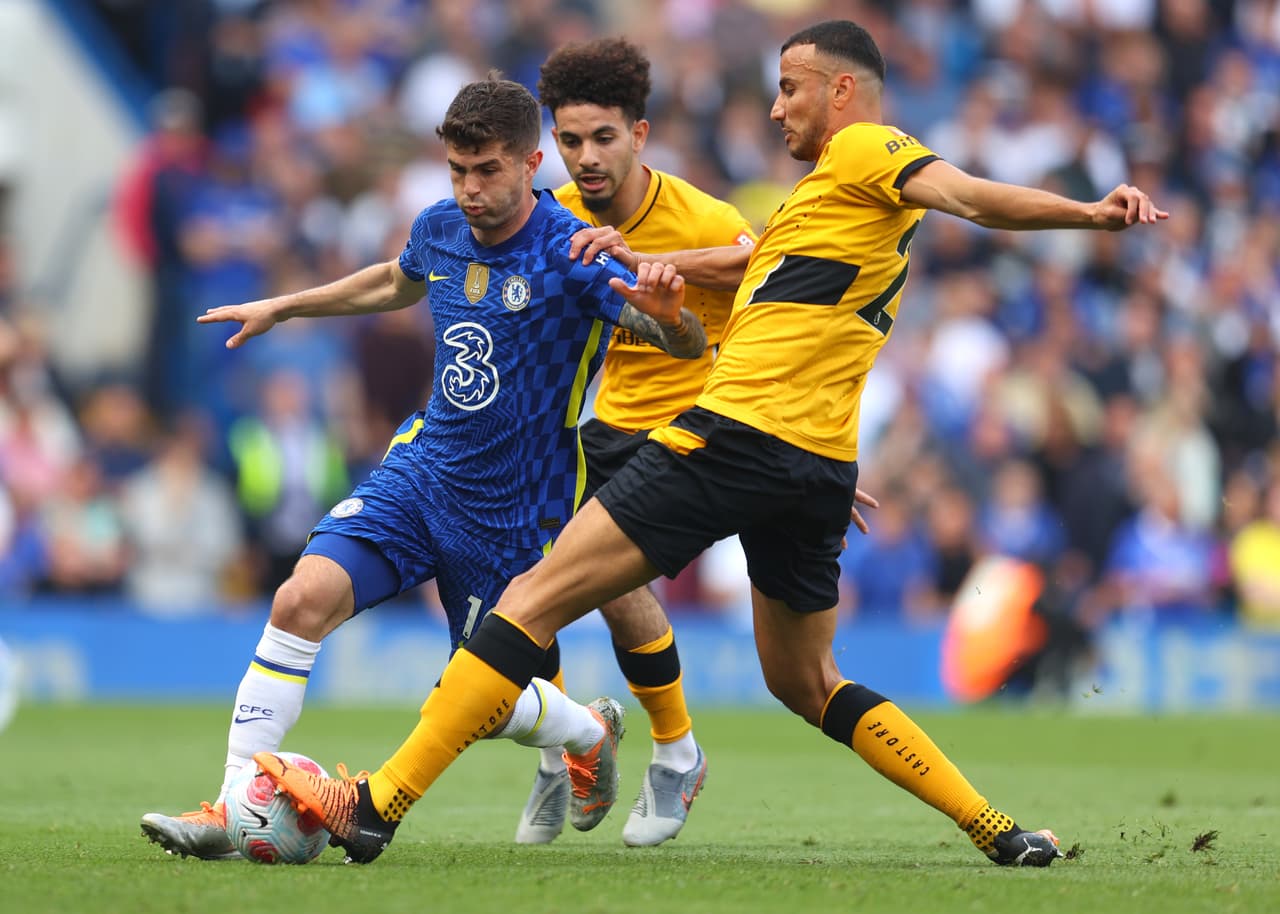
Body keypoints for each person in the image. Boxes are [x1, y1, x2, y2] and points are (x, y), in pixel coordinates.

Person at [251, 21, 1167, 867]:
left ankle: (375, 802)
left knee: (530, 600)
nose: (777, 107)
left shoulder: (863, 148)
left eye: (792, 87)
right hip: (814, 459)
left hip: (733, 435)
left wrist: (1086, 213)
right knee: (807, 683)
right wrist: (636, 265)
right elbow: (750, 278)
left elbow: (966, 193)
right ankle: (999, 831)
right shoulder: (822, 208)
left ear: (844, 91)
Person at [140, 74, 707, 860]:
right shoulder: (439, 227)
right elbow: (393, 280)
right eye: (457, 171)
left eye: (488, 172)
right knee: (299, 598)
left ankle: (584, 730)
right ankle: (232, 805)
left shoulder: (572, 253)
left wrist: (676, 321)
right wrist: (285, 305)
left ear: (530, 161)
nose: (470, 190)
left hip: (513, 507)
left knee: (479, 697)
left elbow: (680, 342)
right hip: (422, 470)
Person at [529, 37, 757, 847]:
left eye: (603, 138)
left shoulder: (708, 220)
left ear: (640, 134)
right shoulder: (550, 216)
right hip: (609, 425)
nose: (585, 158)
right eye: (569, 140)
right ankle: (595, 750)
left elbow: (760, 291)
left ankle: (643, 748)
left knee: (576, 571)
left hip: (705, 426)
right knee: (549, 573)